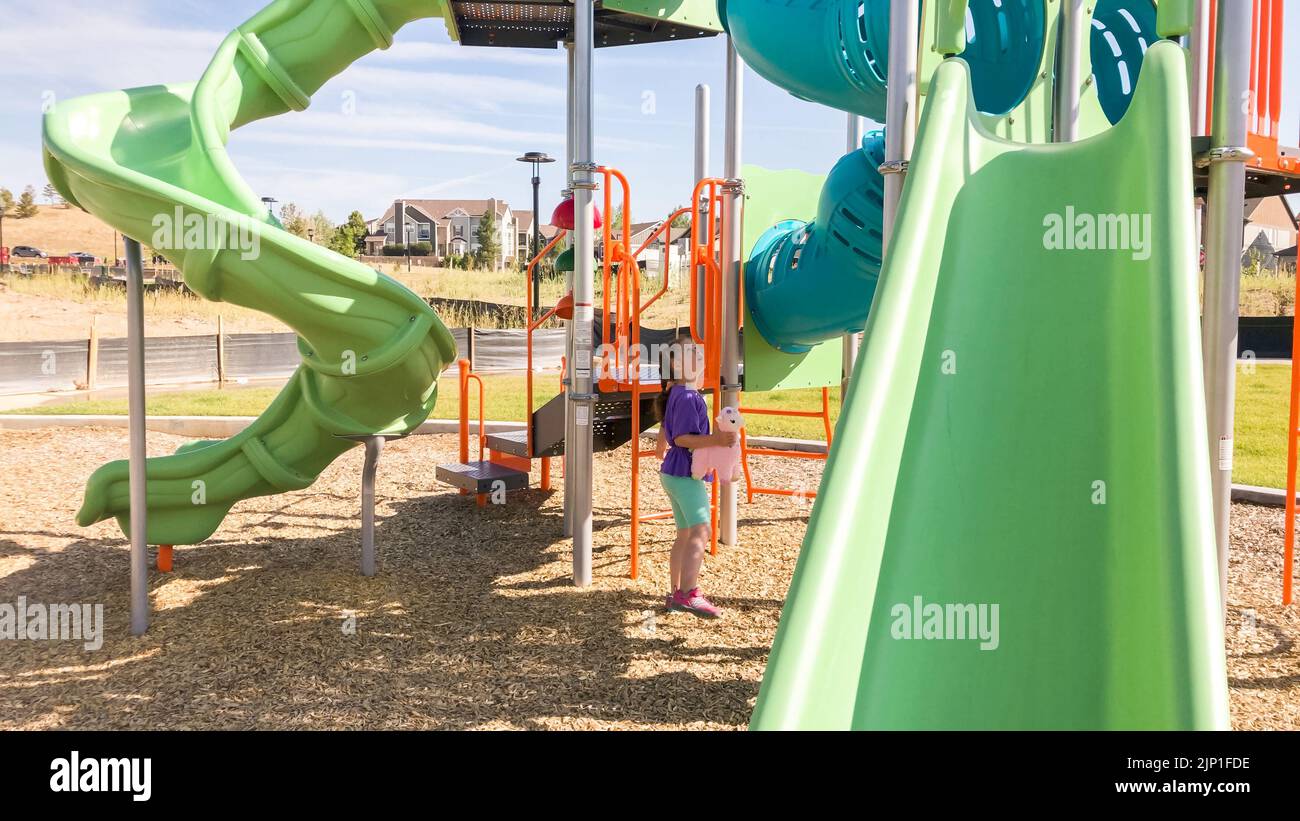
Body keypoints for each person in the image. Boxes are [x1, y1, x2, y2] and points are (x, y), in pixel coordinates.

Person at [654, 334, 734, 619]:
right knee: (701, 530)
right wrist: (717, 440)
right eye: (689, 353)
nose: (697, 356)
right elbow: (684, 438)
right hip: (686, 474)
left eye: (697, 352)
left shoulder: (676, 393)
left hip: (672, 473)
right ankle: (688, 594)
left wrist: (661, 444)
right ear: (674, 363)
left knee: (685, 534)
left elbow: (668, 433)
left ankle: (675, 591)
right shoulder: (688, 396)